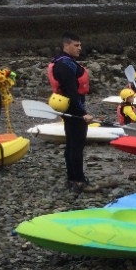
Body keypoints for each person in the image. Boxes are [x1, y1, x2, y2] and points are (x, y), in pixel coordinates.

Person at [47, 32, 98, 193]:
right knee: (76, 145)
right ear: (66, 45)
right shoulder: (65, 65)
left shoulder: (62, 62)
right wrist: (83, 113)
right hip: (73, 109)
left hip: (68, 108)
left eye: (80, 45)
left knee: (71, 144)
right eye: (76, 45)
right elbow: (72, 92)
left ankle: (71, 178)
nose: (79, 48)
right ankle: (79, 180)